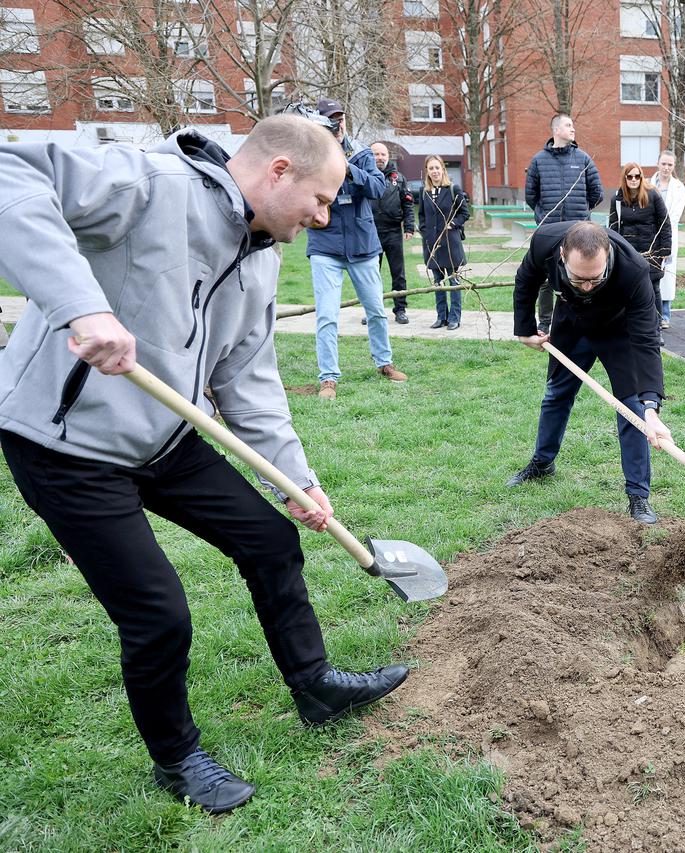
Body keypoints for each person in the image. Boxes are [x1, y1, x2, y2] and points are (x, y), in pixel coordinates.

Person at [0, 113, 410, 814]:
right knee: (159, 613)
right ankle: (178, 758)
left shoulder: (261, 256)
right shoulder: (150, 184)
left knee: (271, 539)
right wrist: (81, 306)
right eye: (319, 198)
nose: (324, 215)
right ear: (278, 171)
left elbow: (248, 378)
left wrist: (295, 477)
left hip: (164, 435)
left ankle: (315, 685)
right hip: (65, 444)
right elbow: (11, 173)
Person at [505, 221, 673, 525]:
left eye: (596, 278)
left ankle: (638, 495)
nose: (586, 285)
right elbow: (526, 278)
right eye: (578, 278)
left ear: (607, 256)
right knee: (556, 394)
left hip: (617, 331)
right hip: (571, 325)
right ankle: (542, 463)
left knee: (631, 407)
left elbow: (646, 342)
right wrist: (525, 330)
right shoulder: (545, 241)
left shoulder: (634, 271)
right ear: (561, 256)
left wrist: (651, 407)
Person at [307, 98, 407, 400]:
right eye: (330, 119)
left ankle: (384, 362)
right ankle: (328, 378)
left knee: (376, 310)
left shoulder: (362, 153)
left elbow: (377, 189)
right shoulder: (310, 156)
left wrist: (348, 169)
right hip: (325, 244)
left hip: (363, 245)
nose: (337, 123)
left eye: (340, 118)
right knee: (326, 315)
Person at [524, 114, 604, 332]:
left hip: (577, 231)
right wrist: (543, 216)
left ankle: (580, 318)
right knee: (545, 278)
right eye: (568, 125)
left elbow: (597, 193)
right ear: (556, 130)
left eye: (573, 125)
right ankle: (545, 321)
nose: (573, 129)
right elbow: (531, 196)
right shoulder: (538, 160)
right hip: (549, 230)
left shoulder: (583, 159)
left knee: (578, 275)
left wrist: (581, 212)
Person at [608, 162, 671, 339]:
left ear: (641, 177)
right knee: (628, 289)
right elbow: (613, 227)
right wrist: (614, 252)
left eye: (637, 176)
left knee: (653, 288)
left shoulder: (653, 195)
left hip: (652, 251)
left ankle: (657, 330)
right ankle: (630, 327)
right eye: (630, 177)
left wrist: (664, 250)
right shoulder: (618, 200)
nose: (634, 180)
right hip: (628, 252)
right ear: (625, 178)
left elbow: (664, 223)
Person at [417, 154, 470, 330]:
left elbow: (464, 213)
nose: (434, 171)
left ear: (442, 169)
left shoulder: (453, 189)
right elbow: (422, 216)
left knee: (453, 282)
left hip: (450, 244)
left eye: (437, 167)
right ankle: (441, 317)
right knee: (438, 283)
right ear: (427, 171)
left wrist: (453, 223)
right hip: (432, 245)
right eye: (431, 168)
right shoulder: (424, 192)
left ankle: (455, 317)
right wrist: (424, 232)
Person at [370, 142, 415, 325]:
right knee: (372, 274)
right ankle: (373, 310)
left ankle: (400, 309)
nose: (379, 157)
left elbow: (408, 204)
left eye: (383, 154)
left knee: (398, 273)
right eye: (376, 154)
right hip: (371, 233)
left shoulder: (399, 178)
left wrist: (410, 227)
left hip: (394, 232)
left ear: (388, 156)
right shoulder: (364, 176)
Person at [650, 150, 685, 330]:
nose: (666, 167)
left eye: (670, 165)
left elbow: (674, 215)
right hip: (649, 234)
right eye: (663, 163)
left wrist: (661, 229)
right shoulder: (648, 184)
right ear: (658, 164)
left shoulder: (678, 187)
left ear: (674, 167)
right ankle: (650, 314)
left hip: (667, 234)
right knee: (650, 274)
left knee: (667, 277)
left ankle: (665, 315)